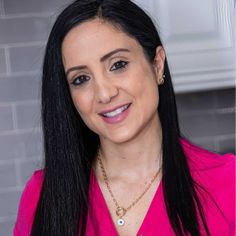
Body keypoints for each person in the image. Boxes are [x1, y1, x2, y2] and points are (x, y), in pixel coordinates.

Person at [14, 0, 235, 235]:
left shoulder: (229, 184)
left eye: (118, 64)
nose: (105, 93)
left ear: (157, 64)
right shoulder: (41, 196)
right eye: (81, 79)